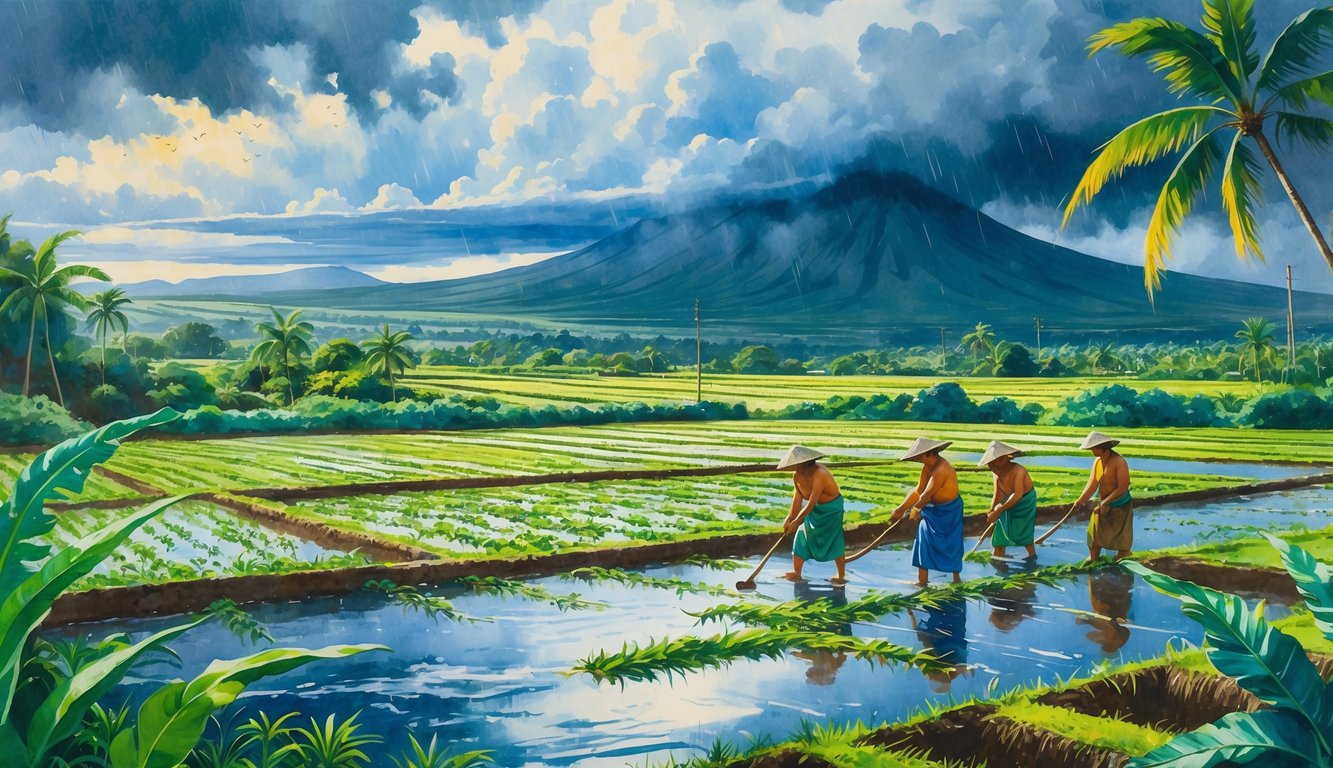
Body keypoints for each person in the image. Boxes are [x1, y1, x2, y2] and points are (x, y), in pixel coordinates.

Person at [890, 437, 963, 586]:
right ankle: (922, 580)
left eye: (919, 455)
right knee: (923, 538)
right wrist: (900, 509)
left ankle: (956, 580)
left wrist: (916, 509)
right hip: (932, 511)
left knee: (952, 544)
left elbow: (926, 495)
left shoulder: (942, 469)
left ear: (929, 453)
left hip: (949, 511)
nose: (917, 458)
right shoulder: (927, 468)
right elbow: (918, 491)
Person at [777, 445, 847, 584]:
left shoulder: (819, 474)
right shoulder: (797, 476)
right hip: (814, 511)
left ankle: (841, 574)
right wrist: (790, 519)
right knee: (801, 535)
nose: (795, 467)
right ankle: (797, 573)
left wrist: (796, 522)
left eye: (797, 464)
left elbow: (811, 503)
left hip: (831, 510)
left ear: (805, 463)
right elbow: (797, 500)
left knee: (834, 539)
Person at [1073, 431, 1133, 561]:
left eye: (1094, 448)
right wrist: (1081, 499)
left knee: (1120, 534)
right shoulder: (1097, 462)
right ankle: (1093, 558)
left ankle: (1123, 555)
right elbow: (1092, 484)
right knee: (1094, 530)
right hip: (1102, 501)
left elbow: (1123, 486)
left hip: (1119, 502)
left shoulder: (1119, 462)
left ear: (1103, 448)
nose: (1092, 451)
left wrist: (1107, 502)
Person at [979, 441, 1038, 560]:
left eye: (1000, 459)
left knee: (1023, 532)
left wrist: (999, 510)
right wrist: (992, 511)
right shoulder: (995, 471)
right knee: (1000, 534)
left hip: (1025, 502)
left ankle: (1032, 557)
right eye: (993, 462)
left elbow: (1018, 494)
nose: (996, 464)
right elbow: (998, 493)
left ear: (1008, 458)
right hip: (1007, 501)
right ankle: (998, 558)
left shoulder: (1018, 470)